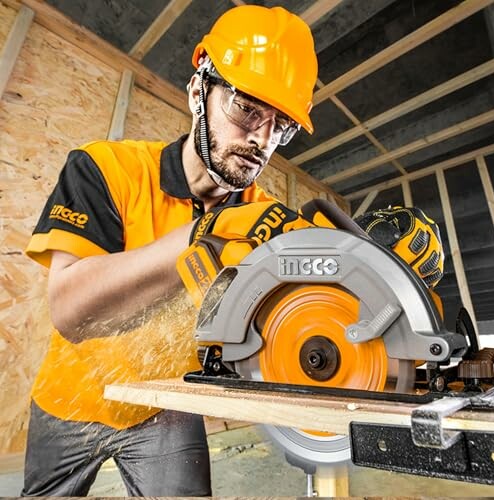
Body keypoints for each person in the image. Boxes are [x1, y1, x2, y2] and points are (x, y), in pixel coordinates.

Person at [22, 5, 318, 497]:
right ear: (198, 92)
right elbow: (70, 310)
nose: (262, 140)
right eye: (246, 109)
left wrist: (381, 268)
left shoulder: (265, 217)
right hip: (66, 401)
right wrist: (204, 236)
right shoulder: (107, 168)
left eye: (280, 125)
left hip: (166, 407)